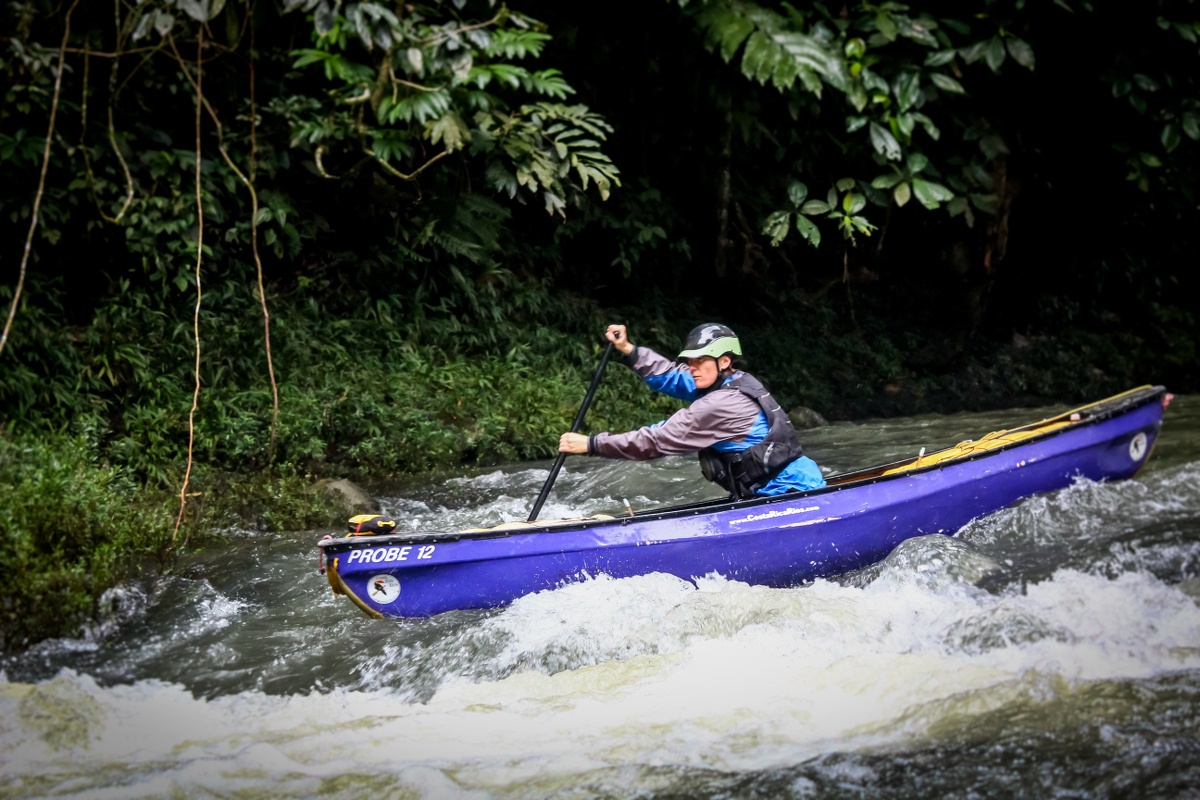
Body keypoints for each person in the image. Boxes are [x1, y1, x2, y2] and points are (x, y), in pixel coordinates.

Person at [559, 323, 826, 497]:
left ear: (724, 361)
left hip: (789, 492)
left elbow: (657, 441)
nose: (692, 368)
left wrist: (593, 443)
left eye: (700, 362)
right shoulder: (731, 380)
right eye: (690, 361)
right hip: (783, 487)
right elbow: (672, 376)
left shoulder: (721, 405)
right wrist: (629, 350)